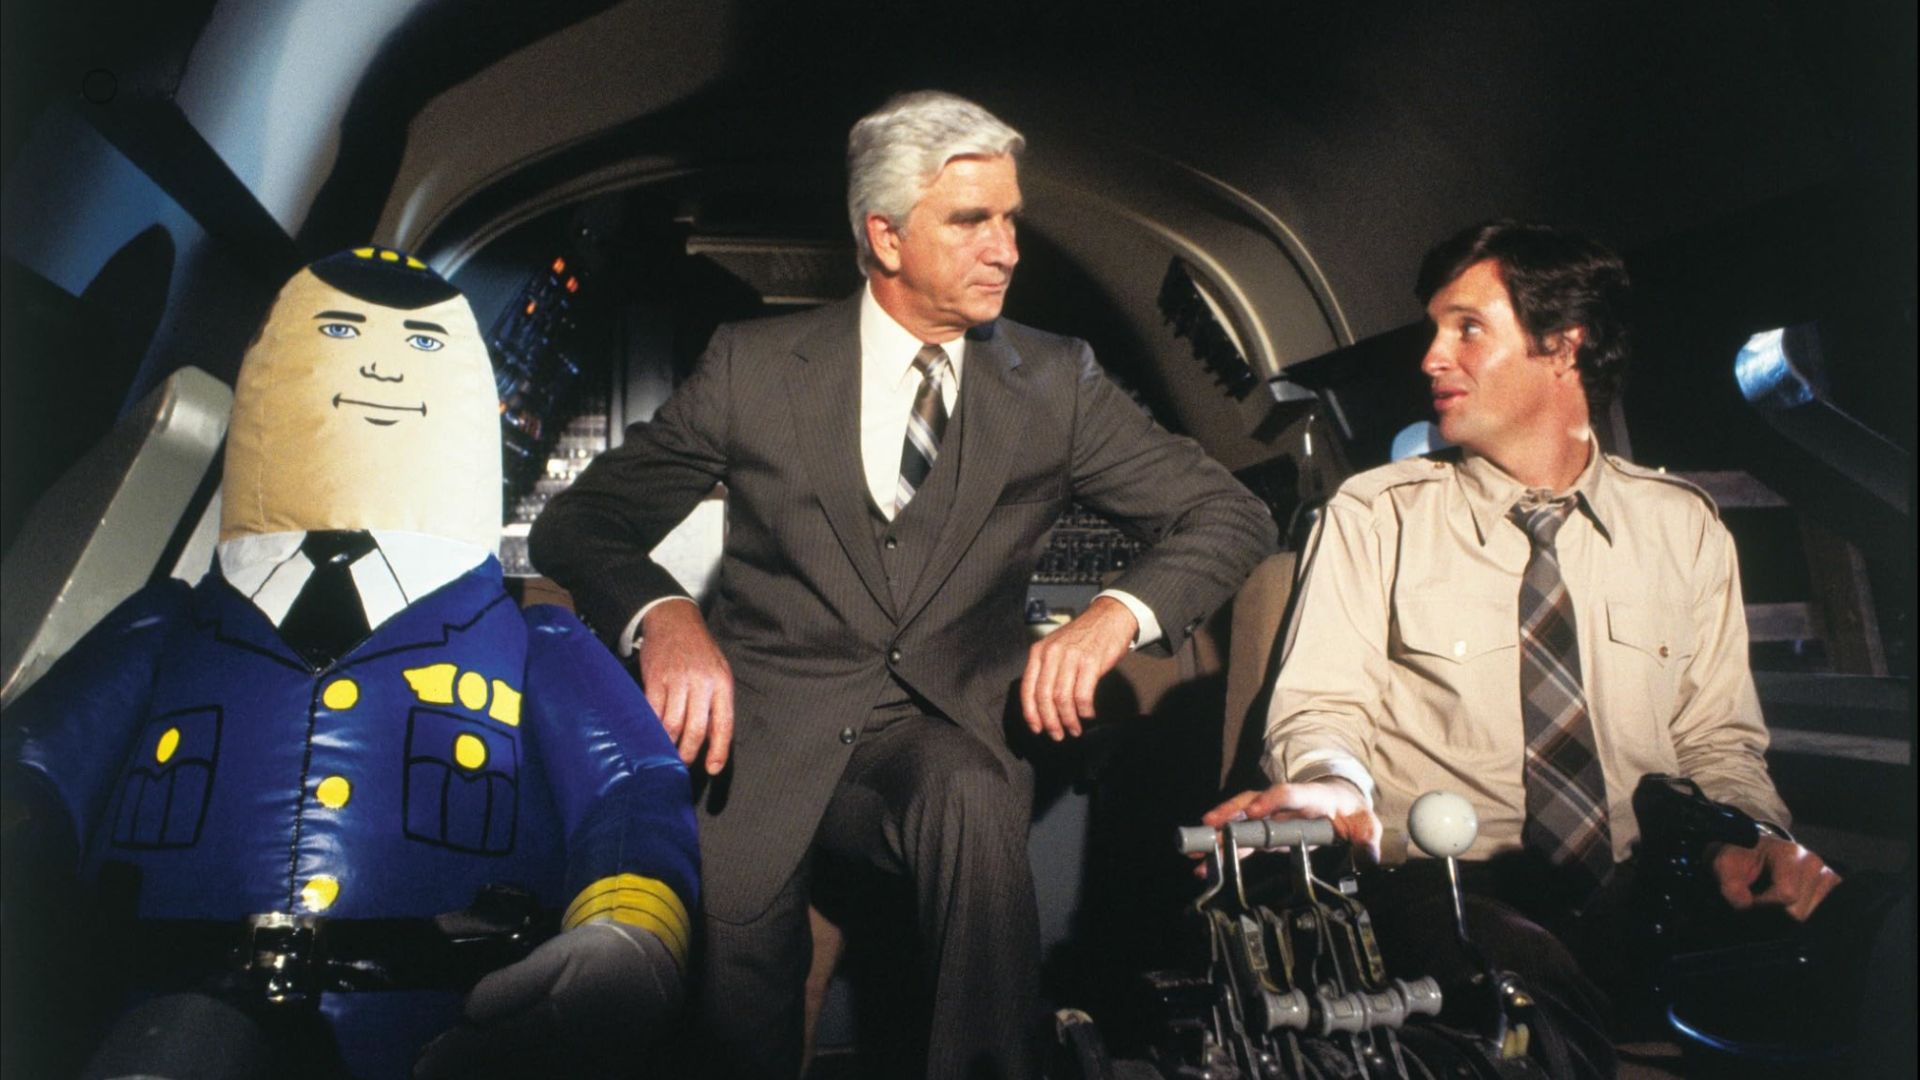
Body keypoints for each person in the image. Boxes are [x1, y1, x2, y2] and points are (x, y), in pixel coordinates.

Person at [528, 90, 1274, 1078]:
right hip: (760, 738)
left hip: (944, 736)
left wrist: (1113, 617)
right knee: (733, 1017)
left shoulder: (1058, 382)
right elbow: (580, 522)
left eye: (1011, 219)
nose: (1006, 250)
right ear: (884, 236)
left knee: (970, 796)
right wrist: (663, 614)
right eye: (972, 221)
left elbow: (1232, 513)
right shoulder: (752, 368)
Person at [3, 247, 697, 1079]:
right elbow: (32, 770)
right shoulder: (165, 628)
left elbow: (629, 788)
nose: (380, 365)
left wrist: (630, 932)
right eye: (338, 331)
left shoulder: (534, 644)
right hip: (162, 1024)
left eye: (422, 345)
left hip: (449, 1031)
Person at [1205, 221, 1839, 1078]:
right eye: (1435, 329)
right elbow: (1323, 709)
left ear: (1563, 346)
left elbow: (1718, 743)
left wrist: (1752, 837)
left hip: (1642, 891)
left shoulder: (1683, 528)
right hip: (1446, 893)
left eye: (1467, 328)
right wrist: (1334, 785)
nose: (1432, 357)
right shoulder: (1376, 516)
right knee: (1519, 970)